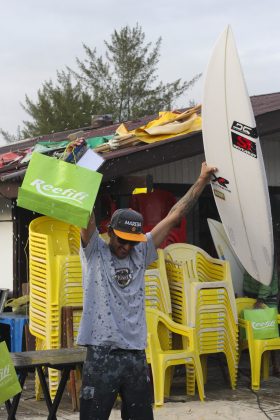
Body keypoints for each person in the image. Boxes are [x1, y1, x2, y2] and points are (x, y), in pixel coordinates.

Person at [77, 161, 217, 420]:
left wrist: (202, 180)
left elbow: (175, 214)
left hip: (135, 355)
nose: (127, 248)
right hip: (101, 354)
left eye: (132, 242)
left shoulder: (141, 252)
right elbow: (85, 215)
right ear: (110, 233)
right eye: (122, 241)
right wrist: (81, 172)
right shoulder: (94, 251)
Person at [243, 261, 280, 375]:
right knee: (255, 333)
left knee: (271, 331)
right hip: (251, 295)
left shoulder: (265, 258)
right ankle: (258, 365)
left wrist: (260, 300)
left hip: (266, 297)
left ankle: (275, 365)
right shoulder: (248, 256)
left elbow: (266, 282)